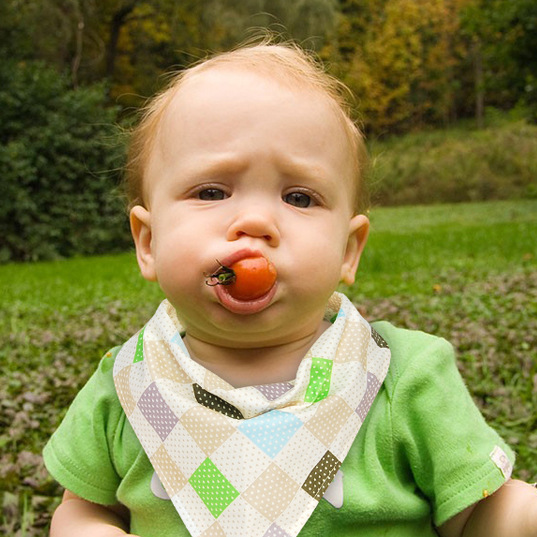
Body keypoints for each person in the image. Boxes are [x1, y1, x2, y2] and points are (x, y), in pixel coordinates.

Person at [43, 41, 537, 537]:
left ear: (348, 250)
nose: (255, 222)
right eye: (211, 192)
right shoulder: (126, 385)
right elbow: (82, 509)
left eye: (299, 197)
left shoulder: (402, 378)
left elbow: (479, 515)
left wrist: (520, 515)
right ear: (148, 242)